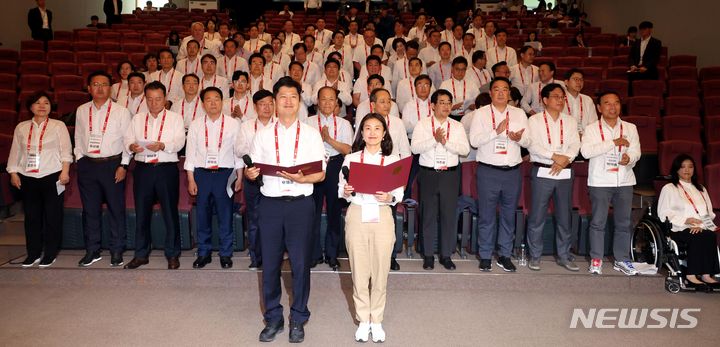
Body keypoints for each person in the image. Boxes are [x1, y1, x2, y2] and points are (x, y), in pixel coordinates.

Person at [244, 77, 326, 343]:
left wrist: (304, 178)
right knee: (269, 264)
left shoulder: (312, 134)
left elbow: (321, 174)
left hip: (301, 205)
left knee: (301, 265)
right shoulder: (262, 135)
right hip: (271, 205)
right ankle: (273, 317)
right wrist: (251, 173)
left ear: (299, 101)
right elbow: (254, 173)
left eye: (293, 96)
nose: (288, 101)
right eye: (282, 97)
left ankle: (299, 318)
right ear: (275, 102)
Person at [340, 113, 403, 343]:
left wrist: (389, 196)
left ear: (384, 133)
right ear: (362, 133)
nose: (372, 132)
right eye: (368, 128)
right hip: (357, 214)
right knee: (359, 270)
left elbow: (399, 193)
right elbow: (341, 188)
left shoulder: (393, 160)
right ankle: (362, 320)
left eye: (377, 128)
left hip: (382, 215)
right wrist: (345, 191)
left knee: (380, 271)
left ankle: (376, 320)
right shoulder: (351, 159)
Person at [469, 77, 530, 272]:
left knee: (508, 215)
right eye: (497, 89)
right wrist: (496, 132)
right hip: (488, 171)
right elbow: (474, 141)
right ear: (491, 93)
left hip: (512, 172)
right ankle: (485, 255)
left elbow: (529, 142)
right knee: (487, 216)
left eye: (505, 89)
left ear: (510, 93)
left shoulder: (519, 113)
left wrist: (520, 139)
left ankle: (504, 254)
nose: (501, 93)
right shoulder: (480, 114)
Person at [123, 81, 185, 269]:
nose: (154, 103)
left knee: (170, 213)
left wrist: (163, 145)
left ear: (164, 98)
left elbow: (180, 141)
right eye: (149, 99)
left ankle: (173, 254)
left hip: (165, 169)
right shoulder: (137, 119)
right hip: (143, 169)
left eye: (158, 99)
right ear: (145, 99)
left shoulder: (175, 118)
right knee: (142, 213)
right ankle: (141, 254)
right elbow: (128, 139)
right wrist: (131, 146)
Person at [74, 71, 132, 267]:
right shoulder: (81, 110)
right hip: (88, 165)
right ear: (89, 88)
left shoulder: (121, 111)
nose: (100, 88)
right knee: (90, 210)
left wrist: (124, 165)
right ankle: (92, 249)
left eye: (104, 84)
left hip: (112, 164)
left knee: (116, 209)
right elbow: (78, 137)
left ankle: (117, 249)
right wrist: (80, 159)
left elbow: (127, 141)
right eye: (95, 84)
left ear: (111, 88)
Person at [580, 91, 641, 276]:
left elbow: (637, 151)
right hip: (600, 181)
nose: (612, 107)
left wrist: (629, 158)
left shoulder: (630, 128)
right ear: (599, 108)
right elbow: (586, 152)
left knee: (623, 223)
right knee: (598, 222)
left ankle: (622, 259)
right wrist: (613, 143)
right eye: (607, 103)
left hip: (624, 180)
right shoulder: (591, 129)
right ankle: (596, 259)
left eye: (616, 103)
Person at [8, 91, 72, 268]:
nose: (42, 106)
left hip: (53, 175)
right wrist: (13, 173)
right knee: (32, 217)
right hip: (27, 176)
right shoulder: (21, 127)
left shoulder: (58, 126)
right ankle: (33, 253)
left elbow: (66, 151)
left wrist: (65, 172)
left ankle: (50, 254)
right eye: (37, 103)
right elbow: (16, 152)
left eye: (46, 103)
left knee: (53, 217)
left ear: (51, 107)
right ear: (30, 107)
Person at [411, 89, 469, 270]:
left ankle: (446, 255)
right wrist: (434, 140)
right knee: (428, 215)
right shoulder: (422, 124)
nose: (445, 106)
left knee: (448, 215)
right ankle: (428, 255)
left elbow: (465, 150)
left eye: (448, 103)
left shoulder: (457, 126)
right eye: (441, 102)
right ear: (433, 105)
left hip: (450, 175)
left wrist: (446, 143)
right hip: (428, 174)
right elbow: (415, 148)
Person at [184, 86, 241, 269]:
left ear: (222, 101)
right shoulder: (195, 124)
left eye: (217, 98)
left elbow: (237, 152)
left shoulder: (233, 124)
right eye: (208, 99)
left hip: (225, 174)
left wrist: (239, 177)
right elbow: (190, 153)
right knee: (202, 215)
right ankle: (204, 253)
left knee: (225, 216)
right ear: (203, 104)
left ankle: (225, 253)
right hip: (202, 174)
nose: (213, 103)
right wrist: (191, 179)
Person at [525, 83, 580, 271]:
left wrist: (565, 160)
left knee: (564, 216)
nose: (560, 100)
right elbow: (532, 145)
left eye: (562, 97)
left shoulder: (570, 121)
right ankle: (535, 255)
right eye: (555, 96)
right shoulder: (534, 120)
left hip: (565, 171)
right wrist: (554, 157)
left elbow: (575, 145)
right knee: (537, 216)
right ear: (545, 100)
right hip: (543, 171)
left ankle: (564, 255)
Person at [307, 87, 353, 270]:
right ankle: (314, 254)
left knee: (334, 212)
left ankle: (332, 254)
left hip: (335, 166)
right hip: (314, 166)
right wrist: (319, 141)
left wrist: (328, 139)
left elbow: (348, 150)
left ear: (336, 103)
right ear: (317, 101)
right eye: (323, 99)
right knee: (312, 212)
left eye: (331, 99)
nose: (327, 103)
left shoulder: (344, 124)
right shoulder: (307, 122)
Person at [657, 154, 719, 286]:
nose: (687, 170)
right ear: (677, 169)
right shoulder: (669, 189)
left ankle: (706, 275)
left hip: (701, 227)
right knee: (697, 236)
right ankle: (691, 274)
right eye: (683, 167)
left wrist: (701, 225)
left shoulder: (701, 189)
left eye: (690, 167)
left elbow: (709, 213)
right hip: (679, 228)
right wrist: (686, 220)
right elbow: (663, 213)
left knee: (710, 235)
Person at [234, 90, 276, 270]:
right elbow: (239, 149)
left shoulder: (280, 125)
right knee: (254, 219)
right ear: (255, 107)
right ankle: (256, 257)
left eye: (269, 103)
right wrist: (259, 149)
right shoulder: (246, 126)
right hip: (253, 176)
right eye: (262, 104)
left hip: (275, 177)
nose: (267, 107)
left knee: (274, 219)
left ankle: (274, 256)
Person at [439, 56, 479, 121]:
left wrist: (474, 106)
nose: (460, 72)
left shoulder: (472, 84)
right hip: (450, 117)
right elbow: (439, 104)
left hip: (468, 117)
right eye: (457, 69)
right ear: (452, 69)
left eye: (463, 69)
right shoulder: (445, 84)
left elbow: (478, 101)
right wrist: (451, 107)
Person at [563, 68, 597, 135]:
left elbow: (593, 124)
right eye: (576, 79)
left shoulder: (587, 100)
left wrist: (583, 136)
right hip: (565, 138)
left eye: (581, 80)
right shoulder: (560, 99)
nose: (579, 82)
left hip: (585, 138)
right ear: (566, 82)